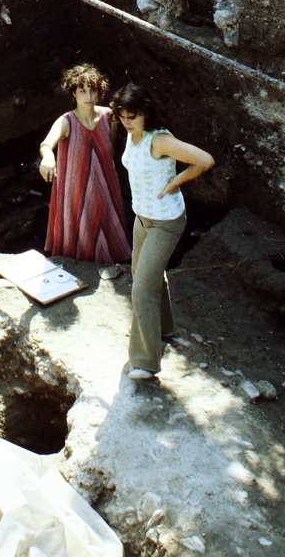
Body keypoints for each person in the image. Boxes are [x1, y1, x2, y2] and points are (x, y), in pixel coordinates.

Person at [111, 82, 214, 380]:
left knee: (142, 288)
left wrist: (177, 181)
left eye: (132, 116)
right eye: (122, 117)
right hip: (142, 218)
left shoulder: (160, 141)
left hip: (166, 222)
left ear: (145, 113)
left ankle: (145, 361)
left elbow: (205, 160)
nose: (126, 122)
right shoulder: (132, 134)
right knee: (145, 275)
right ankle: (164, 329)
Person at [38, 63, 132, 265]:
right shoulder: (66, 121)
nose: (88, 97)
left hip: (106, 185)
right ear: (73, 93)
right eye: (82, 91)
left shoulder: (109, 116)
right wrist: (48, 156)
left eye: (93, 91)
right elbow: (46, 144)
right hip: (76, 189)